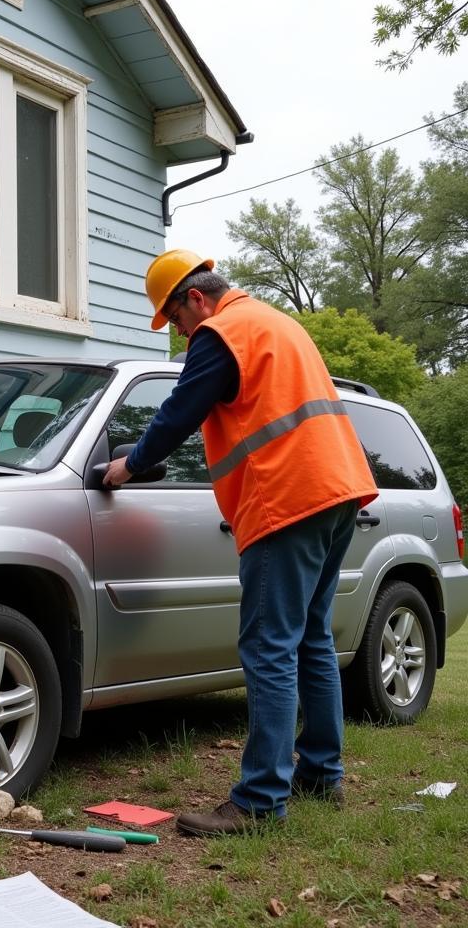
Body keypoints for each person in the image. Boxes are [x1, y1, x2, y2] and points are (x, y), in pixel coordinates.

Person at [103, 249, 378, 836]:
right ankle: (321, 775)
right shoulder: (276, 322)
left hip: (287, 499)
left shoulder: (222, 333)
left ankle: (259, 801)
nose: (179, 336)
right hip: (338, 491)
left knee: (269, 646)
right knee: (310, 640)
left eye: (175, 321)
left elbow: (179, 412)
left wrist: (131, 464)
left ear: (194, 299)